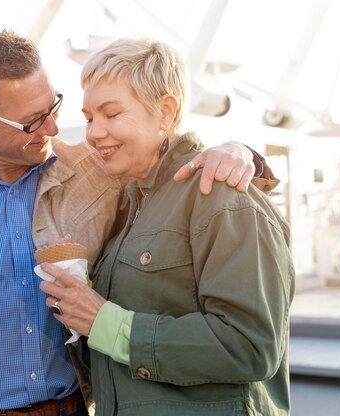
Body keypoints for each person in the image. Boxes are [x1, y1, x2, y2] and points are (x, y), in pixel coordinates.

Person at [0, 30, 278, 416]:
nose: (56, 128)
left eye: (52, 107)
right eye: (32, 122)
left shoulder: (96, 176)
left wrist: (239, 152)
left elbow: (165, 156)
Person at [38, 38, 294, 415]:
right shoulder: (130, 204)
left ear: (165, 111)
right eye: (90, 117)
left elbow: (250, 346)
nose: (94, 133)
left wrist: (105, 321)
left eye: (111, 113)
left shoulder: (222, 196)